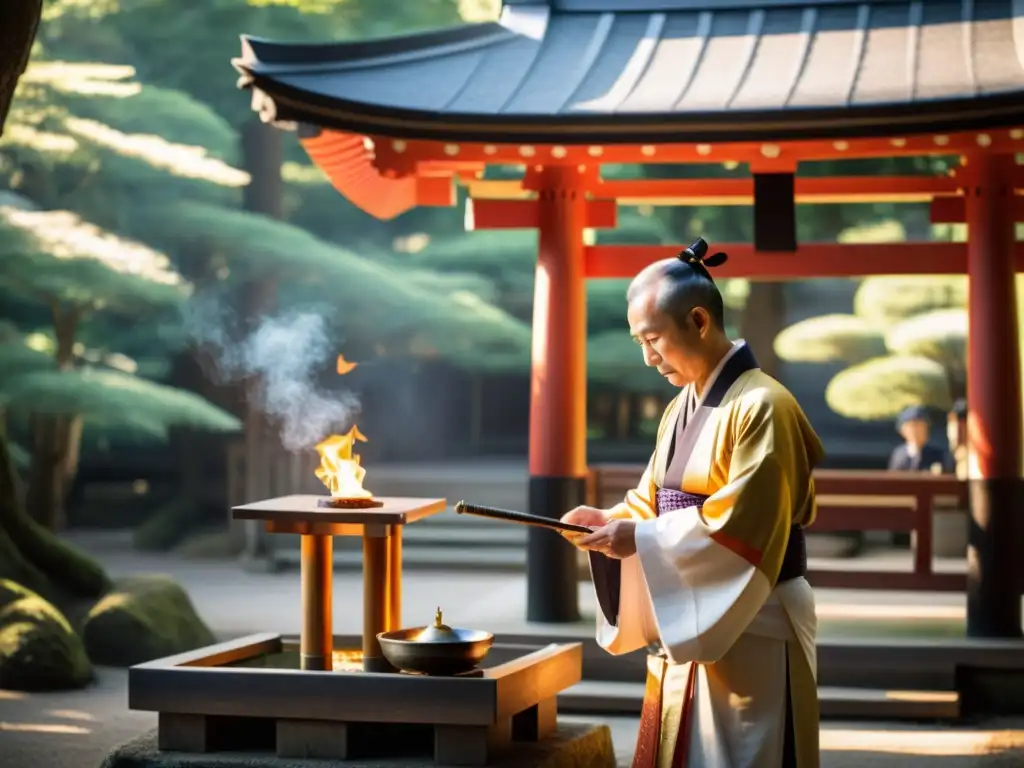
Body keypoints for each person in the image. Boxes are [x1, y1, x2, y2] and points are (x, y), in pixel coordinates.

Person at [562, 238, 823, 768]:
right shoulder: (684, 404)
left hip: (754, 617)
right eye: (639, 341)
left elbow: (746, 524)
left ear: (699, 321)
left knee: (747, 754)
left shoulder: (763, 405)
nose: (646, 357)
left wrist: (640, 538)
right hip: (696, 608)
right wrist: (609, 521)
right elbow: (654, 498)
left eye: (653, 338)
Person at [887, 405, 949, 473]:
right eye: (912, 426)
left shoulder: (938, 455)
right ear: (903, 431)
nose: (917, 431)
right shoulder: (899, 455)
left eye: (921, 426)